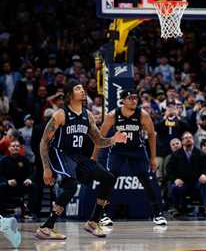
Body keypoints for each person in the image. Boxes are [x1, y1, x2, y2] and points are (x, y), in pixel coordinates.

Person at [35, 80, 127, 240]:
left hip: (77, 156)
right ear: (70, 94)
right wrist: (46, 168)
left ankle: (93, 221)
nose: (82, 90)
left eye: (82, 88)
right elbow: (43, 141)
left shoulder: (88, 115)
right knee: (70, 185)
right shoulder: (61, 114)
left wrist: (114, 139)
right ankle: (46, 227)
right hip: (60, 153)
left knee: (108, 178)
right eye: (78, 88)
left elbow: (98, 141)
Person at [92, 90, 167, 226]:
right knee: (109, 179)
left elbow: (151, 135)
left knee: (146, 179)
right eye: (130, 98)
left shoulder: (143, 115)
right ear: (123, 101)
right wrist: (93, 158)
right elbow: (100, 137)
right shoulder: (112, 115)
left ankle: (158, 214)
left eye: (135, 98)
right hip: (118, 151)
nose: (134, 100)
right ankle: (102, 214)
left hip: (137, 150)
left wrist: (153, 158)